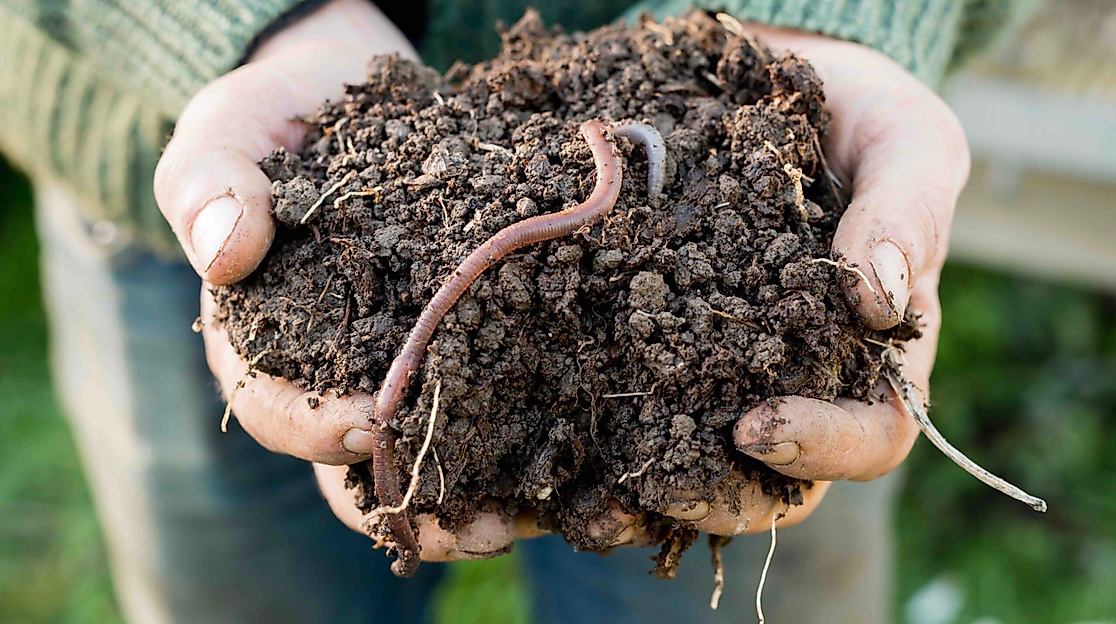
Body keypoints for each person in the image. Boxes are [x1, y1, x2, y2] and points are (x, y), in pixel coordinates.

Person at [0, 0, 1020, 622]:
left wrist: (835, 15)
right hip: (203, 173)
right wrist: (260, 18)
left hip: (738, 263)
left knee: (738, 473)